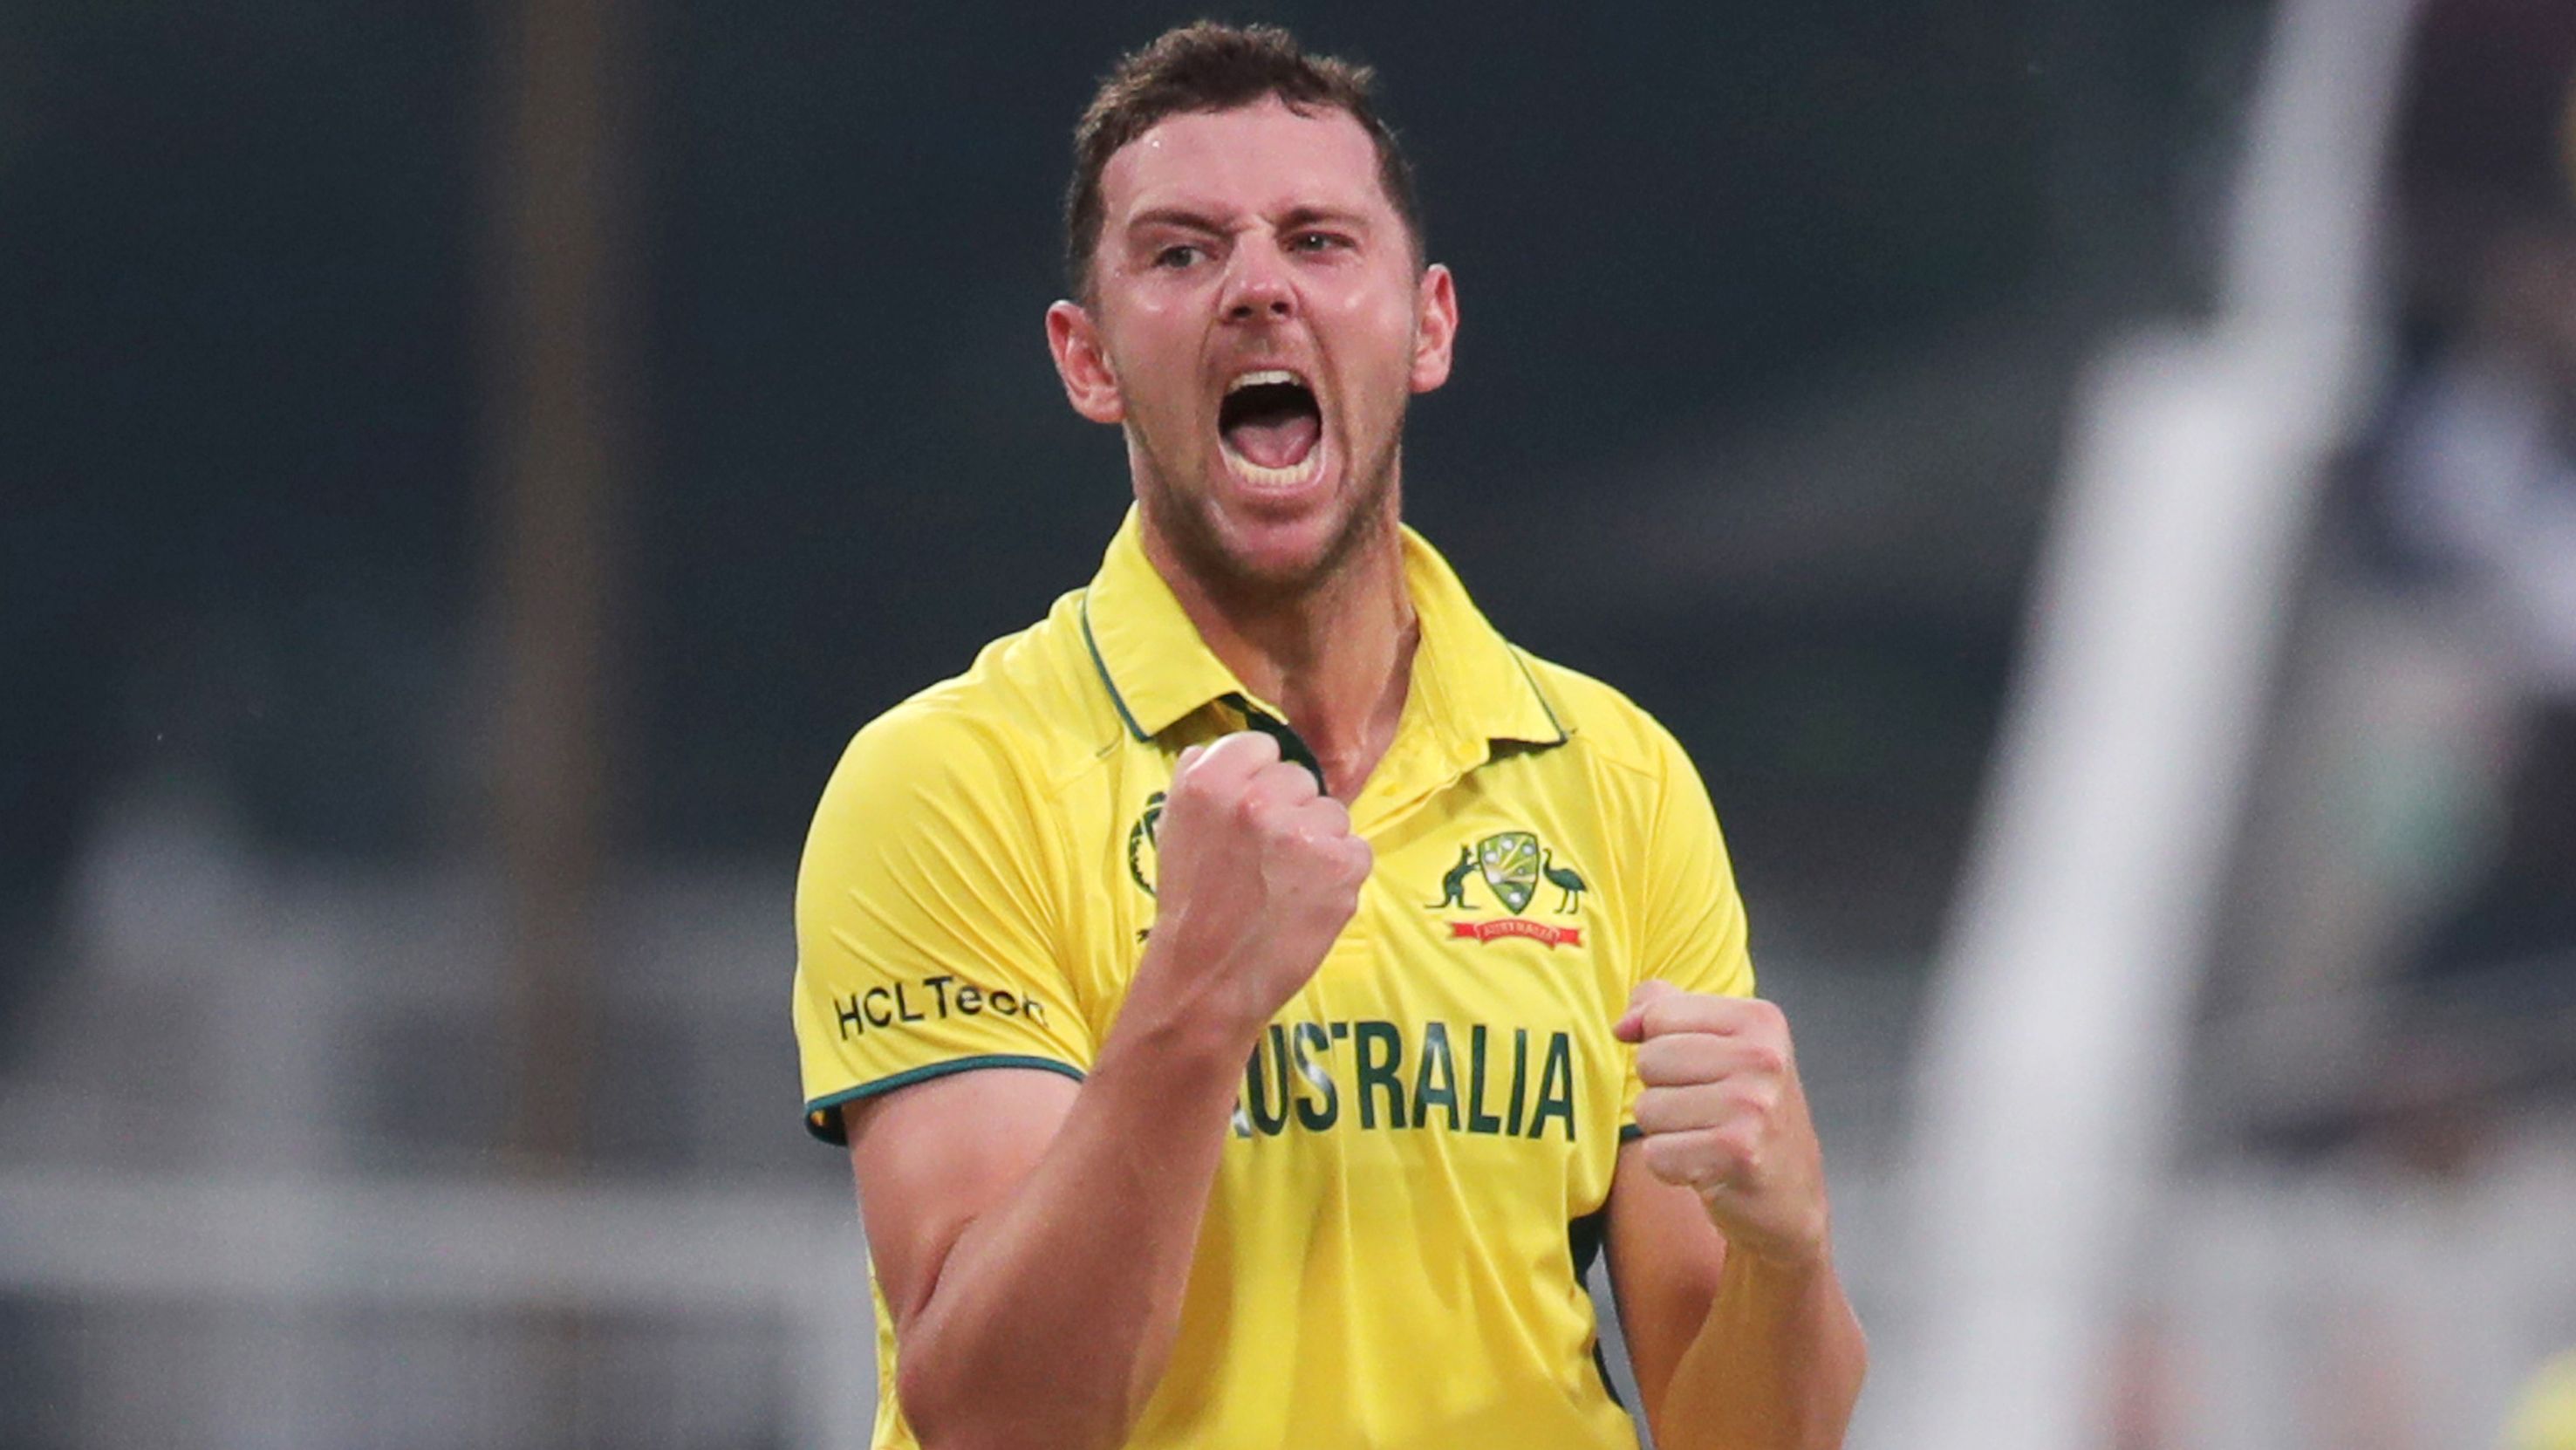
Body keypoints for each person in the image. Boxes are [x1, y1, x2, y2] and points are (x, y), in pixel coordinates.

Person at [789, 22, 1865, 1450]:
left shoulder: (1615, 776)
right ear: (1088, 357)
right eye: (1180, 254)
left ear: (1426, 325)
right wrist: (1192, 996)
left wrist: (1788, 1248)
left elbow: (1742, 1436)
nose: (1255, 289)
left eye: (1316, 240)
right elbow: (1000, 1419)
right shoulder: (948, 781)